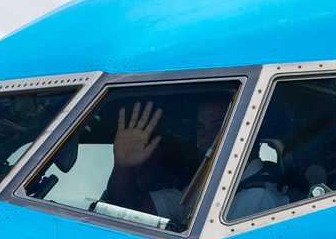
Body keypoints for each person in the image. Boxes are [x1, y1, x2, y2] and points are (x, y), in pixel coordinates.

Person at [101, 96, 287, 224]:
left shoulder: (256, 197)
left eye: (218, 127)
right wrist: (123, 167)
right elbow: (130, 207)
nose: (205, 137)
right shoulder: (207, 187)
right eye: (200, 128)